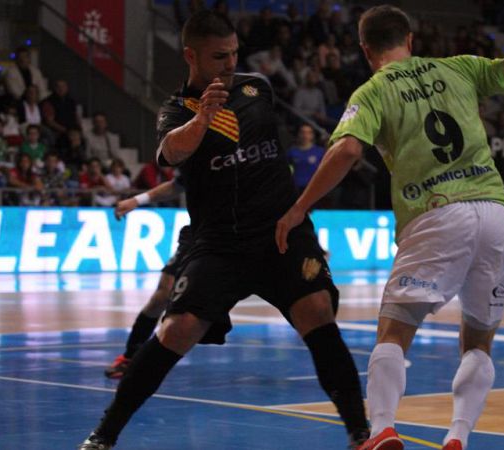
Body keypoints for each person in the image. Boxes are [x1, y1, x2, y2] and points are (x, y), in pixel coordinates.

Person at [78, 11, 369, 450]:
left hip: (280, 232)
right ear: (191, 56)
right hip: (219, 243)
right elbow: (173, 155)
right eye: (219, 57)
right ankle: (105, 434)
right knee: (175, 329)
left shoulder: (258, 88)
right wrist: (204, 118)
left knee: (317, 313)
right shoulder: (176, 110)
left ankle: (359, 431)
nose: (230, 63)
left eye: (234, 53)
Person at [275, 6, 504, 450]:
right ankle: (458, 436)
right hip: (496, 214)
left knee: (395, 331)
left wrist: (299, 208)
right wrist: (498, 69)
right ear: (411, 40)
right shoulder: (459, 67)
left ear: (366, 50)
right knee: (478, 340)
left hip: (436, 213)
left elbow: (345, 152)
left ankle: (382, 429)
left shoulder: (374, 89)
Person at [104, 177, 189, 379]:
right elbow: (177, 185)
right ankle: (131, 357)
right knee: (162, 294)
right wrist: (136, 200)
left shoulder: (251, 156)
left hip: (241, 233)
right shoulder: (202, 155)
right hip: (200, 233)